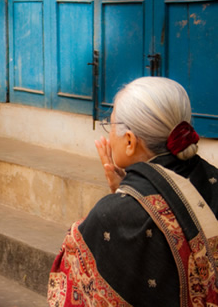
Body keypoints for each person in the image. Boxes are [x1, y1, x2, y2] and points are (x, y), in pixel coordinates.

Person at [47, 77, 218, 306]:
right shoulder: (211, 179)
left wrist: (120, 204)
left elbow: (67, 286)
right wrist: (126, 193)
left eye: (112, 123)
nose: (109, 134)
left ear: (129, 141)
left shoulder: (112, 216)